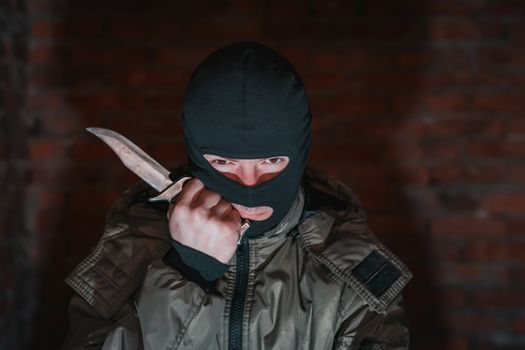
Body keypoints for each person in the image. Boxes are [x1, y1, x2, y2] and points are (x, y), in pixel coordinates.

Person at [62, 41, 412, 350]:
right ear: (198, 157)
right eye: (224, 162)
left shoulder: (353, 273)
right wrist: (190, 275)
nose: (249, 186)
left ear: (300, 152)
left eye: (272, 161)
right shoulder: (130, 247)